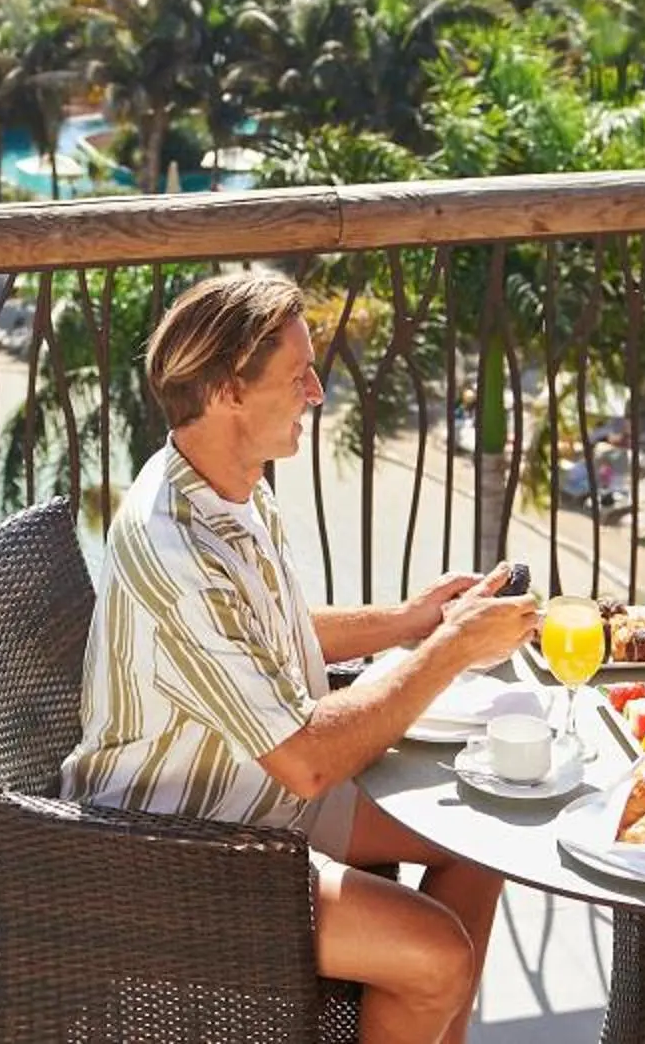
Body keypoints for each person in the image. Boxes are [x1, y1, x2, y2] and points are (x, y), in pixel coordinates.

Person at [60, 269, 540, 1044]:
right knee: (438, 956)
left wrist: (409, 620)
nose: (317, 393)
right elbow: (309, 760)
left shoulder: (230, 484)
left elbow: (273, 631)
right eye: (298, 376)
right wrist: (450, 649)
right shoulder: (174, 543)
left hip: (258, 796)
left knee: (483, 838)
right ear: (226, 392)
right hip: (181, 851)